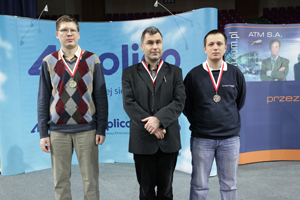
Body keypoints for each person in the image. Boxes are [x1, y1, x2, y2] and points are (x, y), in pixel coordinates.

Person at [38, 15, 108, 200]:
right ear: (57, 34)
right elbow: (43, 99)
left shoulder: (93, 60)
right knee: (60, 182)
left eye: (73, 30)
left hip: (87, 130)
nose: (69, 34)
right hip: (58, 131)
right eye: (64, 30)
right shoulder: (49, 61)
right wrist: (43, 133)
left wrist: (101, 127)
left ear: (78, 34)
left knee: (90, 181)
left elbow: (100, 97)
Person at [122, 26, 185, 200]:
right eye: (150, 42)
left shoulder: (175, 72)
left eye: (158, 42)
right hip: (142, 142)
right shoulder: (129, 73)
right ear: (142, 46)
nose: (154, 46)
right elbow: (129, 104)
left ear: (162, 45)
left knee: (166, 192)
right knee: (146, 192)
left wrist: (158, 120)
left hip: (168, 141)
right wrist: (152, 126)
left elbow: (179, 102)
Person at [183, 29, 246, 200]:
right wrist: (199, 122)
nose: (215, 47)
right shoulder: (193, 75)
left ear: (225, 47)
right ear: (205, 48)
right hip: (202, 139)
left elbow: (239, 102)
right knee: (199, 185)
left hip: (230, 139)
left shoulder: (235, 73)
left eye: (219, 44)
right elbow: (186, 106)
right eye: (211, 44)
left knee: (229, 186)